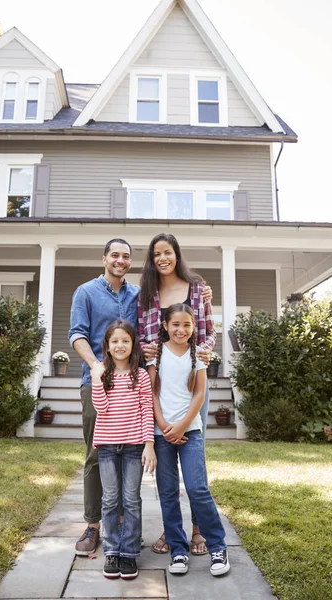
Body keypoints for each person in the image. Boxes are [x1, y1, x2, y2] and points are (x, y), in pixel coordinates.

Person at [137, 232, 216, 555]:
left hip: (192, 379)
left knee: (195, 460)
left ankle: (198, 530)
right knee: (167, 466)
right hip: (159, 379)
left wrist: (204, 354)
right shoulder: (146, 293)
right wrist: (147, 349)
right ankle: (172, 533)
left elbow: (209, 332)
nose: (162, 258)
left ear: (176, 254)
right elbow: (141, 334)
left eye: (167, 252)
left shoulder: (198, 288)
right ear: (152, 258)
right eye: (157, 254)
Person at [68, 239, 139, 556]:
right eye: (115, 255)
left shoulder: (138, 294)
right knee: (96, 455)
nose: (120, 260)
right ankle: (93, 526)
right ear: (104, 258)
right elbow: (77, 334)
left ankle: (121, 524)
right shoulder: (86, 292)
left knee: (128, 455)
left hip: (131, 386)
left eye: (126, 256)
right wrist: (97, 366)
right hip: (94, 383)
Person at [148, 304, 229, 577]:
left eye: (186, 325)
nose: (181, 330)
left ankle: (217, 546)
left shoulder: (199, 356)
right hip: (162, 434)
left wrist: (182, 426)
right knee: (168, 493)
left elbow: (200, 395)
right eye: (175, 324)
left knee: (198, 489)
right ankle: (178, 549)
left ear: (194, 327)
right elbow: (153, 394)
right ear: (165, 326)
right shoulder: (155, 355)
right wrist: (164, 426)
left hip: (191, 431)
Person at [91, 320, 156, 580]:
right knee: (109, 500)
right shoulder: (103, 373)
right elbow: (101, 408)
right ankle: (112, 550)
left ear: (133, 345)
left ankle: (128, 552)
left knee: (131, 499)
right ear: (107, 345)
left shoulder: (139, 375)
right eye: (115, 341)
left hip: (133, 447)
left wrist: (149, 445)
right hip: (106, 446)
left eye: (125, 341)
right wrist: (96, 379)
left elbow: (146, 411)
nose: (120, 345)